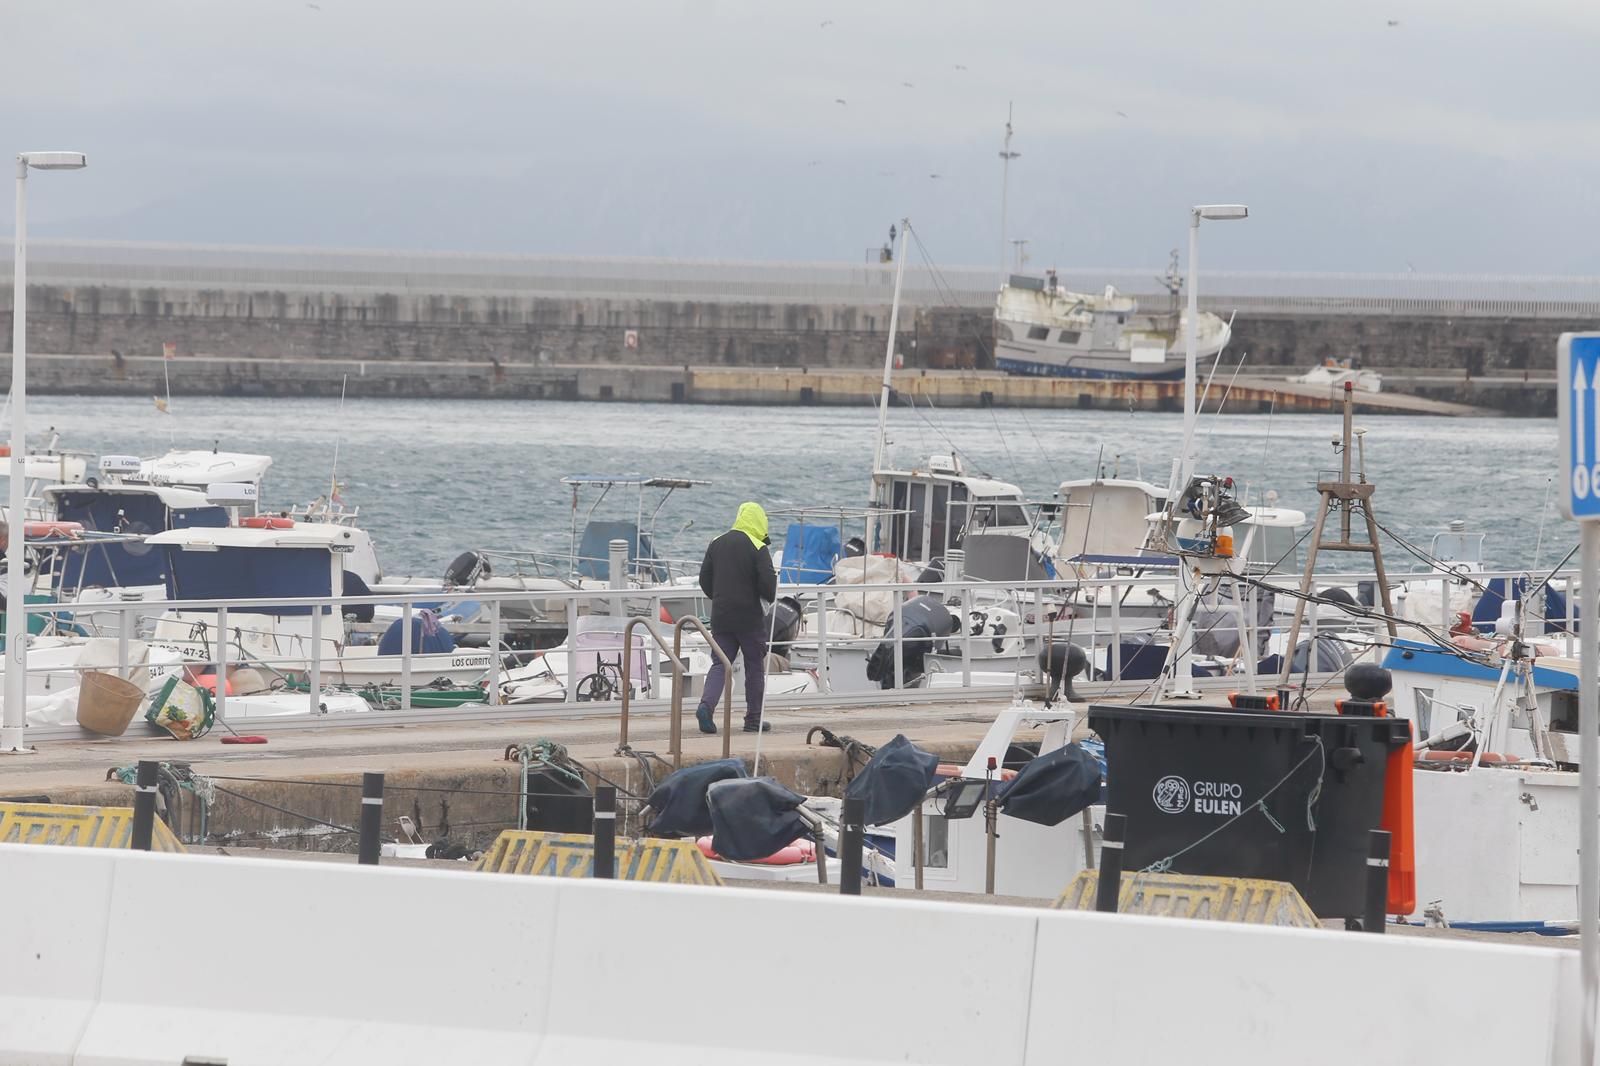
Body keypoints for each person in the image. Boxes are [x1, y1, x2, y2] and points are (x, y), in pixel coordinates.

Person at [694, 501, 777, 734]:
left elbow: (704, 579)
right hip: (750, 619)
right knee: (753, 667)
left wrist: (718, 597)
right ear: (760, 521)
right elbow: (769, 585)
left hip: (721, 616)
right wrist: (763, 598)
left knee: (721, 663)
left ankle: (706, 707)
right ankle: (753, 719)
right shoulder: (758, 546)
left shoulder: (716, 543)